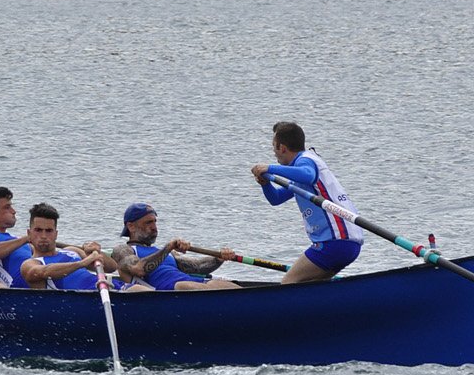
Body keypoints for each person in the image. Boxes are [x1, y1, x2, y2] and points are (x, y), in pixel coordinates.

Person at [250, 121, 363, 283]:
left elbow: (307, 174)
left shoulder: (306, 161)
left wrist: (270, 168)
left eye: (273, 147)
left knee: (288, 283)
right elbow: (276, 199)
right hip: (348, 244)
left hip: (335, 242)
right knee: (308, 285)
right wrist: (265, 184)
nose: (274, 153)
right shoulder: (300, 171)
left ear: (282, 148)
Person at [110, 202, 239, 291]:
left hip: (193, 283)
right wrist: (168, 248)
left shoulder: (167, 253)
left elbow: (198, 267)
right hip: (170, 290)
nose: (154, 227)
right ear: (131, 226)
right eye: (148, 222)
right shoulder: (124, 250)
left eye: (155, 222)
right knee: (186, 286)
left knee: (229, 287)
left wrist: (218, 259)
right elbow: (138, 269)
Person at [18, 203, 124, 290]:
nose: (44, 236)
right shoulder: (30, 264)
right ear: (29, 233)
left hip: (108, 287)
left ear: (56, 234)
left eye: (49, 231)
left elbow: (111, 267)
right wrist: (82, 263)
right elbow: (44, 272)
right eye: (38, 230)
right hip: (88, 299)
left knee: (138, 289)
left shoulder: (72, 251)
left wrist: (97, 252)